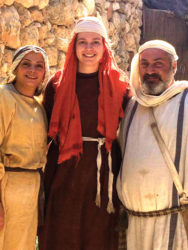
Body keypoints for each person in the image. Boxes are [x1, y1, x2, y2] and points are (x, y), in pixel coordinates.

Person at [38, 16, 128, 250]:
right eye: (83, 42)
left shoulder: (120, 86)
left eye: (95, 42)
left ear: (104, 46)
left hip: (104, 174)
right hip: (65, 174)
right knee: (62, 232)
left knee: (98, 235)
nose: (89, 48)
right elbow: (42, 134)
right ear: (74, 46)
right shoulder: (57, 84)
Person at [117, 40, 188, 250]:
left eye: (158, 64)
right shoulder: (131, 106)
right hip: (134, 224)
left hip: (175, 221)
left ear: (174, 66)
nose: (150, 71)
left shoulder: (185, 101)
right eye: (145, 64)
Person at [0, 45, 49, 250]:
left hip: (31, 190)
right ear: (16, 67)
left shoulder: (39, 105)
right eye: (26, 64)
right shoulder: (4, 98)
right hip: (7, 186)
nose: (32, 70)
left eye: (39, 66)